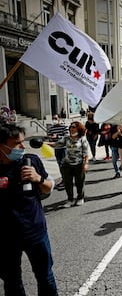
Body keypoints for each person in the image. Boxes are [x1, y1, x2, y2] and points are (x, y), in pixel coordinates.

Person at [0, 124, 58, 295]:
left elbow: (49, 186)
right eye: (17, 143)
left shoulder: (31, 161)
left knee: (45, 277)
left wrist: (38, 178)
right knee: (12, 281)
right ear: (2, 146)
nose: (22, 147)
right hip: (5, 239)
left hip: (35, 232)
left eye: (23, 142)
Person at [50, 121, 89, 207]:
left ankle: (80, 198)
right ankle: (70, 199)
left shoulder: (82, 139)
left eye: (74, 127)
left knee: (80, 182)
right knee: (68, 183)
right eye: (71, 127)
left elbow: (86, 153)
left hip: (79, 164)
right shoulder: (66, 138)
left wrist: (85, 164)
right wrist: (44, 144)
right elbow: (56, 144)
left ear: (78, 128)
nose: (71, 128)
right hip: (67, 164)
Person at [47, 114, 68, 190]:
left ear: (59, 118)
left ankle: (65, 181)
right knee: (60, 164)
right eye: (53, 118)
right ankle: (64, 179)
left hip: (63, 148)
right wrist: (50, 139)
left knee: (63, 164)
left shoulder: (64, 127)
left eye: (55, 118)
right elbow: (49, 136)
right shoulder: (51, 128)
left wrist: (58, 137)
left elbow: (67, 137)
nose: (54, 120)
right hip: (56, 148)